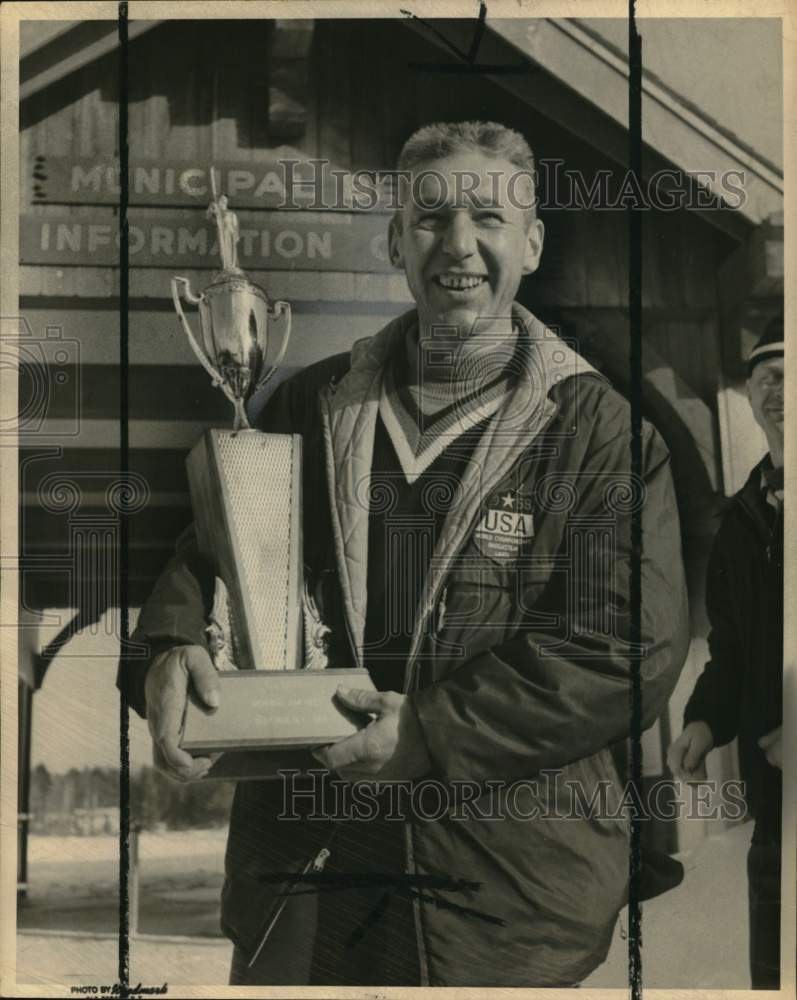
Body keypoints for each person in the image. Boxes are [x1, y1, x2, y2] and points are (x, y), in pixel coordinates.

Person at [120, 121, 689, 986]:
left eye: (488, 219)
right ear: (394, 239)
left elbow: (624, 647)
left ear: (531, 243)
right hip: (308, 874)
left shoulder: (597, 430)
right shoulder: (309, 405)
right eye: (429, 219)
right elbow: (209, 559)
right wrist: (167, 646)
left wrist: (427, 731)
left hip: (501, 898)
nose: (458, 245)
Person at [667, 317, 784, 988]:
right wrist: (704, 719)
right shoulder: (742, 519)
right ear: (746, 393)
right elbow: (732, 649)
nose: (780, 391)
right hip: (776, 797)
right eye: (767, 376)